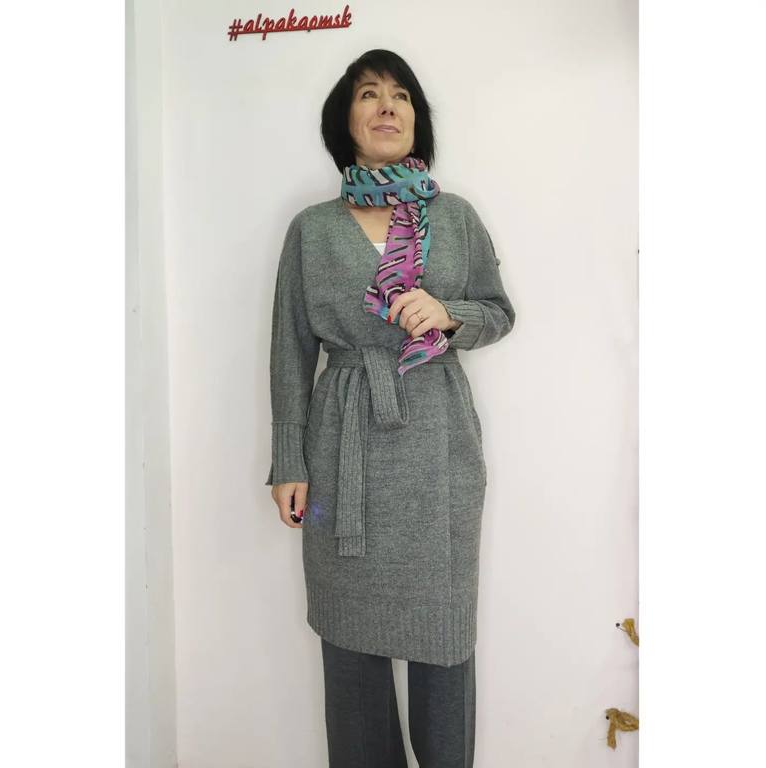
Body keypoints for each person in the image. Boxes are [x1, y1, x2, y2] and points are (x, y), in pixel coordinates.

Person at [265, 48, 515, 767]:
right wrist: (289, 460)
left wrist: (450, 313)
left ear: (416, 119)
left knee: (444, 639)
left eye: (401, 95)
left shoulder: (455, 218)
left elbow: (499, 312)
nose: (386, 106)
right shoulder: (313, 229)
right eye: (369, 93)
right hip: (343, 450)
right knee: (349, 643)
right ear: (343, 120)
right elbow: (289, 347)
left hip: (439, 447)